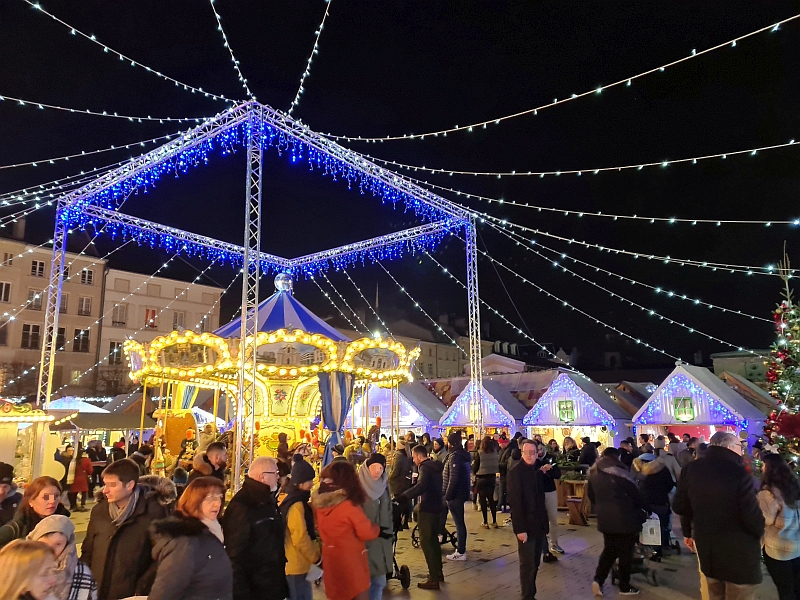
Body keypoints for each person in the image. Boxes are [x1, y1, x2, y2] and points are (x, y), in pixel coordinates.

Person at [674, 432, 765, 600]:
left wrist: (688, 531)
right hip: (739, 550)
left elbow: (680, 506)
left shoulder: (691, 469)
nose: (742, 451)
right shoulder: (739, 473)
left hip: (708, 547)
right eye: (740, 447)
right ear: (730, 447)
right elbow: (751, 515)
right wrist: (760, 533)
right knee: (740, 594)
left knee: (715, 593)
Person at [81, 458, 174, 600]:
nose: (105, 490)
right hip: (97, 590)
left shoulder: (153, 512)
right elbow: (88, 549)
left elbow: (163, 554)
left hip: (131, 592)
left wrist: (144, 585)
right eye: (105, 484)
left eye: (112, 485)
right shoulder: (99, 511)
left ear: (130, 485)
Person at [146, 477, 232, 600]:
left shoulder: (212, 533)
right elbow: (166, 591)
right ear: (195, 500)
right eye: (211, 498)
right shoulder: (185, 543)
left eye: (220, 497)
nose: (217, 503)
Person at [312, 461, 380, 600]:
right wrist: (376, 528)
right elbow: (366, 532)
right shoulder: (348, 506)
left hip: (331, 561)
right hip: (352, 564)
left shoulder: (319, 506)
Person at [223, 456, 288, 600]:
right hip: (255, 589)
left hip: (270, 583)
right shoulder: (243, 505)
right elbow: (235, 555)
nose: (278, 477)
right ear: (262, 477)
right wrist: (242, 594)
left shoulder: (267, 500)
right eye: (275, 473)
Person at [588, 447, 648, 597]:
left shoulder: (593, 472)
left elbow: (591, 496)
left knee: (609, 550)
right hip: (624, 519)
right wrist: (647, 509)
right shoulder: (620, 472)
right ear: (617, 457)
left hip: (605, 519)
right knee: (625, 553)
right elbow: (636, 494)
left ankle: (598, 580)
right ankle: (624, 586)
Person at [506, 439, 551, 600]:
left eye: (534, 452)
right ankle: (527, 596)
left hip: (539, 525)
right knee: (527, 564)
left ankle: (531, 594)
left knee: (535, 563)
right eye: (528, 452)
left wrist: (547, 470)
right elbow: (515, 503)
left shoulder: (537, 470)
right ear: (522, 453)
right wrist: (519, 529)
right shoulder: (515, 473)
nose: (531, 456)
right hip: (526, 526)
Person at [402, 445, 445, 589]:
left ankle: (433, 577)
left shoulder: (425, 468)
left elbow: (421, 486)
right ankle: (438, 573)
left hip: (427, 508)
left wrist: (404, 496)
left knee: (426, 542)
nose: (413, 461)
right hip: (437, 506)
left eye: (414, 457)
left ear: (419, 456)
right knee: (433, 541)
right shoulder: (435, 466)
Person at [758, 453, 800, 600]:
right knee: (797, 587)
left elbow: (766, 520)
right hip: (797, 546)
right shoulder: (795, 486)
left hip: (778, 549)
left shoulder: (768, 493)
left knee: (785, 589)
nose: (761, 468)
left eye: (763, 465)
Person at [27, 514, 97, 600]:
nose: (51, 550)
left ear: (68, 545)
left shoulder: (82, 573)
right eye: (44, 544)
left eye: (58, 544)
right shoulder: (25, 570)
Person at [281, 457, 320, 600]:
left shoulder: (291, 500)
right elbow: (300, 537)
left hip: (295, 564)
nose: (311, 484)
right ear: (299, 482)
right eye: (309, 480)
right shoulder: (297, 505)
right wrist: (315, 557)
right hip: (296, 565)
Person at [358, 454, 393, 600]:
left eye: (381, 467)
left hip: (382, 542)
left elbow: (388, 510)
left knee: (379, 582)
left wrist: (389, 531)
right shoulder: (358, 487)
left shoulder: (384, 486)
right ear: (367, 467)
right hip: (364, 543)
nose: (377, 471)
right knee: (364, 584)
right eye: (374, 467)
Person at [0, 477, 69, 548]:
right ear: (31, 501)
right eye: (46, 497)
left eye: (56, 496)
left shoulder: (64, 524)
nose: (52, 501)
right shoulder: (17, 528)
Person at [632, 452, 674, 559]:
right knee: (662, 524)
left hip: (643, 503)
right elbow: (670, 485)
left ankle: (645, 548)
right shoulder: (662, 469)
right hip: (661, 502)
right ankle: (660, 547)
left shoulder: (636, 469)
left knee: (644, 525)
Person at [443, 431, 471, 561]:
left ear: (451, 443)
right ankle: (461, 549)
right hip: (460, 493)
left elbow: (453, 479)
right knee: (460, 522)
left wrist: (447, 495)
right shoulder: (461, 455)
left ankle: (460, 551)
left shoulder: (455, 457)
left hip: (456, 495)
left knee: (459, 523)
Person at [536, 440, 563, 556]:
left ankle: (554, 543)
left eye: (541, 449)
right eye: (537, 450)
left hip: (550, 491)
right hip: (538, 493)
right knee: (540, 520)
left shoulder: (551, 458)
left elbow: (558, 474)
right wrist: (539, 471)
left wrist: (550, 470)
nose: (539, 452)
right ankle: (543, 546)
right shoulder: (533, 460)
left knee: (553, 519)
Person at [472, 435, 500, 529]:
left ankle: (485, 521)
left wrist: (474, 472)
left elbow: (475, 466)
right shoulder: (494, 452)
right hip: (491, 477)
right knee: (491, 500)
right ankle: (494, 521)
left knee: (482, 500)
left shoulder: (479, 453)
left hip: (481, 478)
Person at [389, 441, 412, 530]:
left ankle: (399, 524)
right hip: (405, 482)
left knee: (398, 503)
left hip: (397, 483)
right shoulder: (407, 455)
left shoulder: (398, 455)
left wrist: (390, 477)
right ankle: (405, 521)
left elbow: (395, 470)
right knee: (405, 502)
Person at [68, 446, 92, 513]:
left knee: (74, 492)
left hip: (74, 478)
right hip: (83, 478)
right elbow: (90, 470)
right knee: (84, 492)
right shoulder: (87, 460)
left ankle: (74, 505)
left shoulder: (73, 460)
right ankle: (82, 505)